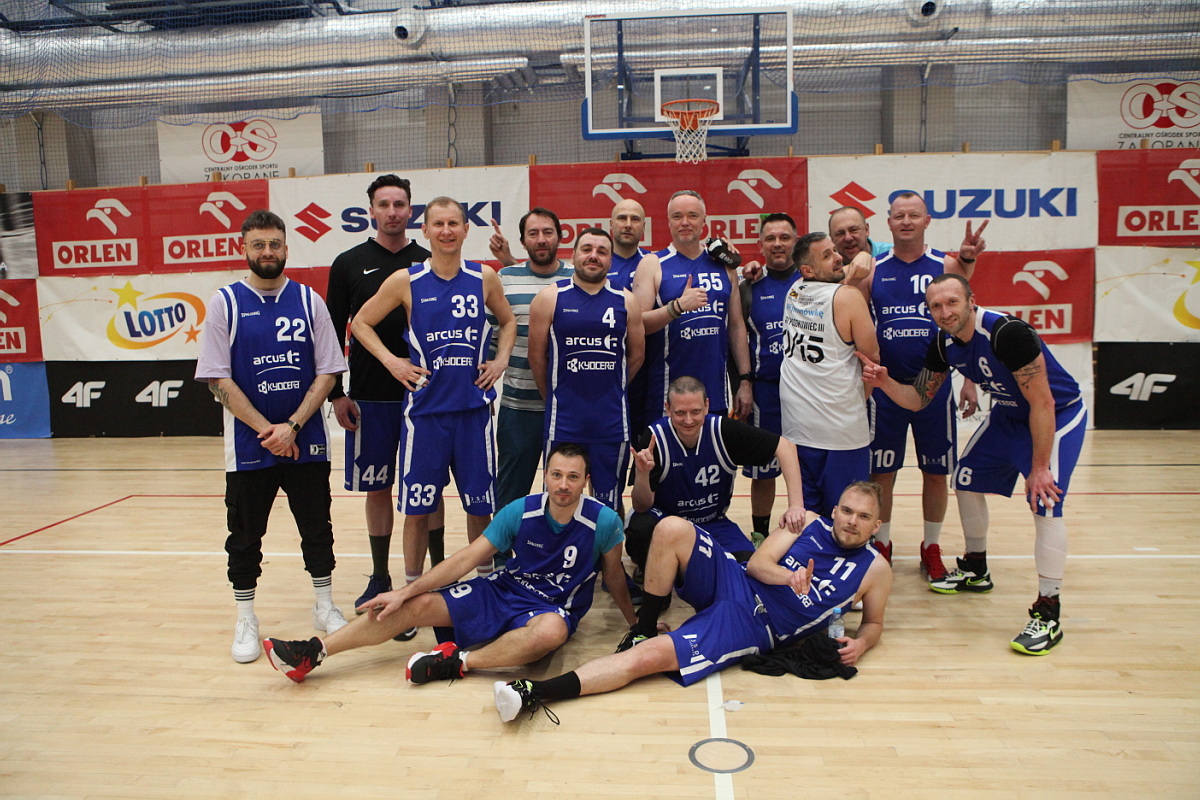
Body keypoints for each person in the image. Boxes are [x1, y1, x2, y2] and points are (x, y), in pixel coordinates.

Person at [492, 481, 893, 723]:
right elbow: (757, 564)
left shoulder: (876, 570)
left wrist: (861, 644)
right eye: (846, 511)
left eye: (862, 517)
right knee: (671, 528)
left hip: (754, 625)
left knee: (649, 659)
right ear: (835, 509)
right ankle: (643, 627)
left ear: (876, 525)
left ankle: (534, 691)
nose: (850, 521)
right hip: (738, 579)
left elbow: (873, 623)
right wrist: (790, 578)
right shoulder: (808, 522)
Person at [262, 444, 637, 684]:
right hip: (504, 591)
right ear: (546, 476)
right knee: (414, 604)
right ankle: (313, 651)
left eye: (573, 477)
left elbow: (615, 576)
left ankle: (458, 662)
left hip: (550, 608)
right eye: (556, 475)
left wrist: (636, 623)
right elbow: (467, 559)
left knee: (549, 635)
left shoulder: (604, 522)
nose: (563, 485)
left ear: (586, 481)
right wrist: (403, 591)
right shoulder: (520, 511)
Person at [857, 273, 1086, 655]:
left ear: (971, 301)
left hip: (1056, 416)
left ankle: (1049, 611)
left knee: (1044, 500)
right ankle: (976, 568)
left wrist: (1040, 467)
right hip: (1010, 416)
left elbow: (1043, 402)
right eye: (936, 306)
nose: (945, 312)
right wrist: (885, 382)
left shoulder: (1007, 333)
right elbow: (918, 399)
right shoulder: (943, 343)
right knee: (964, 480)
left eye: (952, 302)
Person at [195, 209, 348, 664]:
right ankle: (246, 617)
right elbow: (217, 379)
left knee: (317, 528)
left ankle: (324, 604)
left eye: (274, 244)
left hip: (307, 439)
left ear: (286, 248)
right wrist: (270, 431)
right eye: (258, 244)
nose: (267, 252)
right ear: (243, 248)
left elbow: (329, 370)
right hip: (250, 446)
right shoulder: (224, 303)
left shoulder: (308, 300)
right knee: (244, 536)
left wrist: (293, 426)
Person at [350, 197, 516, 593]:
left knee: (480, 509)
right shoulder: (405, 280)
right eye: (438, 224)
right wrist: (393, 362)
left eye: (453, 223)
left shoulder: (484, 277)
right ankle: (411, 594)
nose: (446, 231)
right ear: (424, 230)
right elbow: (360, 323)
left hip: (473, 413)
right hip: (425, 416)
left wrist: (500, 362)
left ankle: (485, 590)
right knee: (417, 511)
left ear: (465, 229)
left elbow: (508, 321)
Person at [843, 193, 987, 584]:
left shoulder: (947, 265)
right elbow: (852, 320)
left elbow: (967, 325)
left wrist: (970, 380)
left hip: (935, 388)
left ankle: (931, 547)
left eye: (914, 215)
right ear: (888, 223)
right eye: (899, 216)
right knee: (882, 474)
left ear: (927, 221)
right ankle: (882, 544)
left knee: (936, 473)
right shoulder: (874, 270)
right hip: (885, 390)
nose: (906, 221)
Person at [323, 174, 445, 619]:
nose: (392, 212)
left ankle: (437, 576)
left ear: (411, 211)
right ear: (371, 211)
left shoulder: (428, 261)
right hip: (370, 397)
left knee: (428, 489)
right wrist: (336, 394)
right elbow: (332, 332)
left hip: (425, 397)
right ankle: (379, 576)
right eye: (384, 204)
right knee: (378, 488)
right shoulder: (348, 263)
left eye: (399, 204)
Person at [626, 375, 806, 568]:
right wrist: (642, 474)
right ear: (667, 409)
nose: (688, 420)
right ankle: (657, 570)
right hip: (664, 521)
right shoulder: (655, 438)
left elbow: (786, 447)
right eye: (680, 413)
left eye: (695, 411)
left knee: (747, 568)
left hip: (713, 523)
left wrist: (796, 505)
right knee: (641, 530)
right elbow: (641, 506)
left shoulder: (723, 431)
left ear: (706, 406)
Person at [527, 227, 645, 511]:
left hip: (612, 423)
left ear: (610, 260)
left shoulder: (626, 300)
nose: (594, 256)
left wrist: (613, 387)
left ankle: (608, 545)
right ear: (573, 255)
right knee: (559, 500)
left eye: (602, 251)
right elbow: (537, 357)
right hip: (564, 422)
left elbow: (637, 356)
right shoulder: (550, 297)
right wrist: (555, 397)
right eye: (587, 249)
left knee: (609, 504)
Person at [779, 232, 880, 518]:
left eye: (835, 250)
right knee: (846, 518)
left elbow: (838, 272)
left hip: (797, 428)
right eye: (828, 255)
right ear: (808, 269)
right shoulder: (848, 297)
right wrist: (859, 401)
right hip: (840, 431)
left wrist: (861, 258)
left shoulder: (794, 289)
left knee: (806, 519)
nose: (838, 257)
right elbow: (872, 360)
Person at [631, 190, 753, 420]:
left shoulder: (723, 263)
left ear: (704, 221)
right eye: (677, 216)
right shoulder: (653, 263)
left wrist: (745, 380)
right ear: (668, 222)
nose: (685, 222)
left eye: (692, 216)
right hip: (666, 392)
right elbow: (638, 326)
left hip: (716, 391)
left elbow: (736, 326)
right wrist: (676, 307)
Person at [486, 208, 575, 515]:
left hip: (567, 410)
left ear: (560, 237)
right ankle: (505, 547)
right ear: (523, 241)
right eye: (533, 234)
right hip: (518, 409)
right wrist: (483, 389)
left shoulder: (577, 278)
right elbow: (491, 338)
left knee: (564, 497)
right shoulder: (505, 278)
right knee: (510, 496)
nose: (541, 240)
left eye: (548, 232)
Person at [739, 212, 798, 545]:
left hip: (808, 395)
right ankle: (760, 535)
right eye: (771, 238)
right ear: (760, 245)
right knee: (763, 471)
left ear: (796, 242)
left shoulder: (813, 282)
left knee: (806, 465)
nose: (778, 244)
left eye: (784, 237)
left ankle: (806, 529)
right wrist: (744, 382)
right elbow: (737, 339)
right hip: (766, 393)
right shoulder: (749, 287)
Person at [606, 198, 650, 291]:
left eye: (635, 219)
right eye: (622, 218)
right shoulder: (598, 262)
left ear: (643, 226)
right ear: (611, 224)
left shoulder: (655, 262)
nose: (628, 225)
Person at [828, 205, 892, 264]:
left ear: (866, 230)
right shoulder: (829, 269)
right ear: (832, 239)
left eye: (853, 230)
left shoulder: (892, 254)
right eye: (840, 233)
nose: (848, 238)